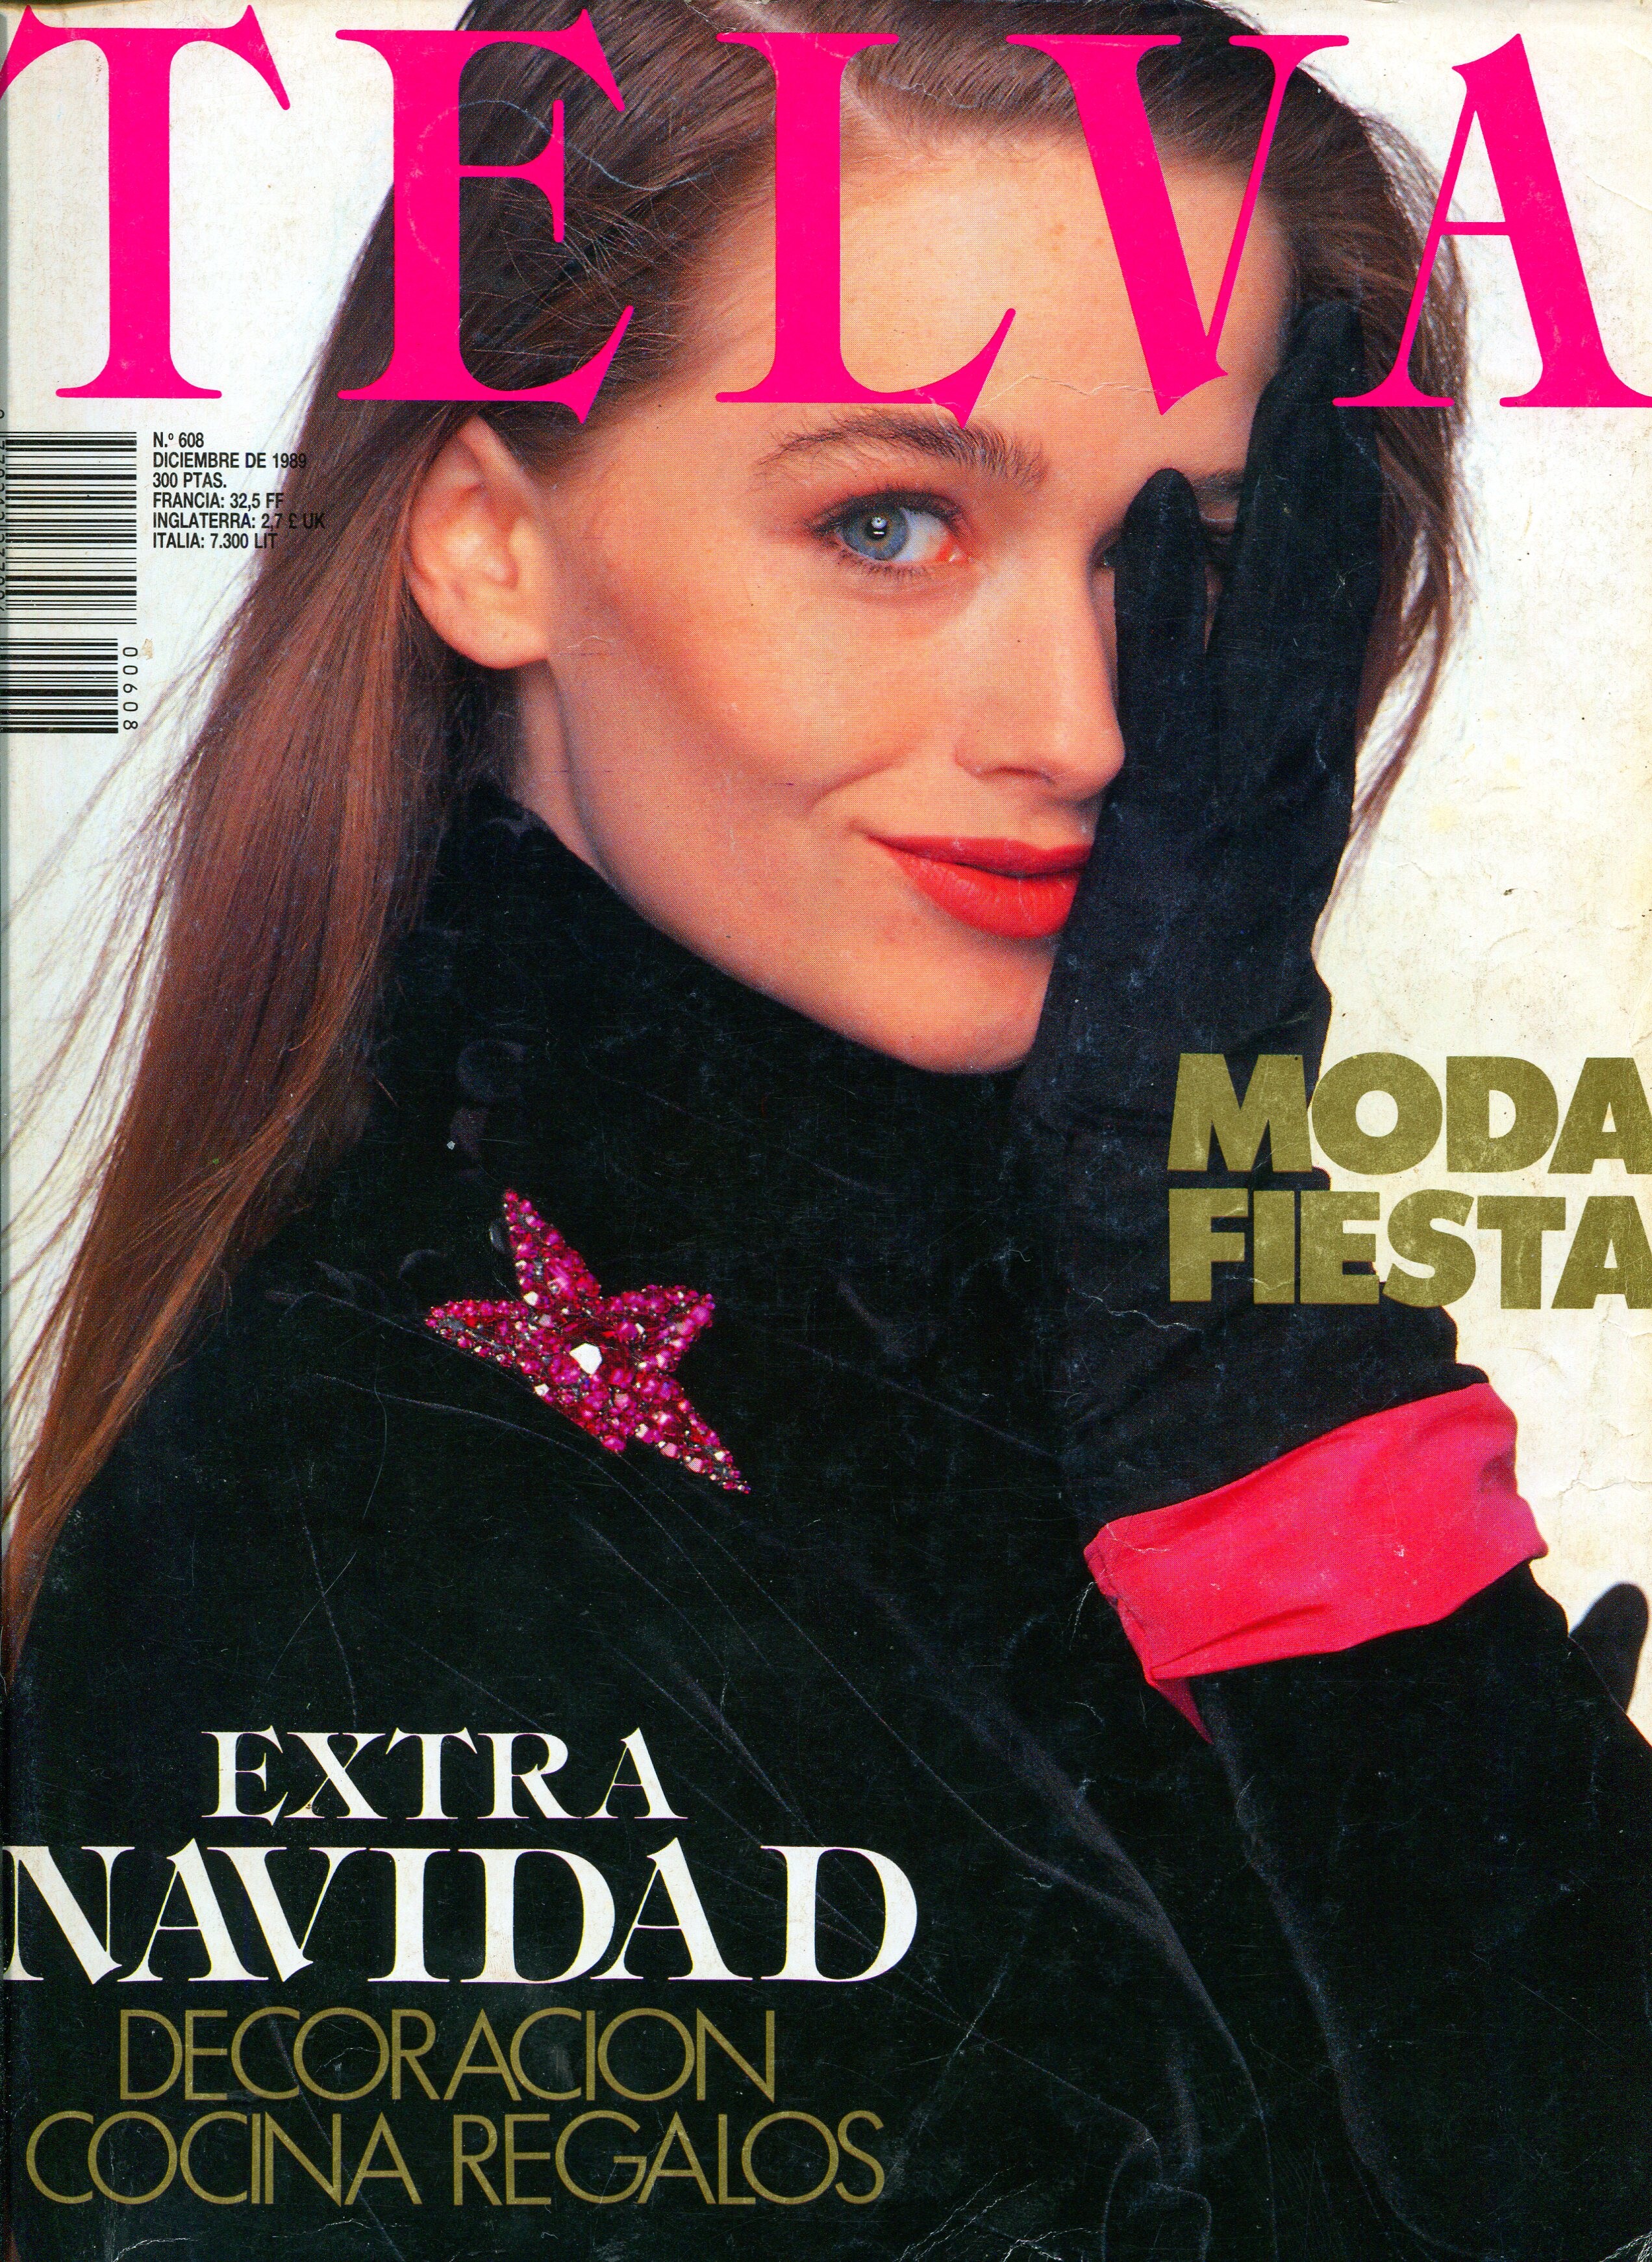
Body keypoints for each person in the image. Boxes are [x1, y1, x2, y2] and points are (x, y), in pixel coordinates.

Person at [6, 2, 1651, 2255]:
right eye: (891, 523)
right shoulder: (341, 1528)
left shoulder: (1109, 1313)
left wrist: (1213, 1270)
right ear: (486, 540)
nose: (1081, 727)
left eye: (1187, 561)